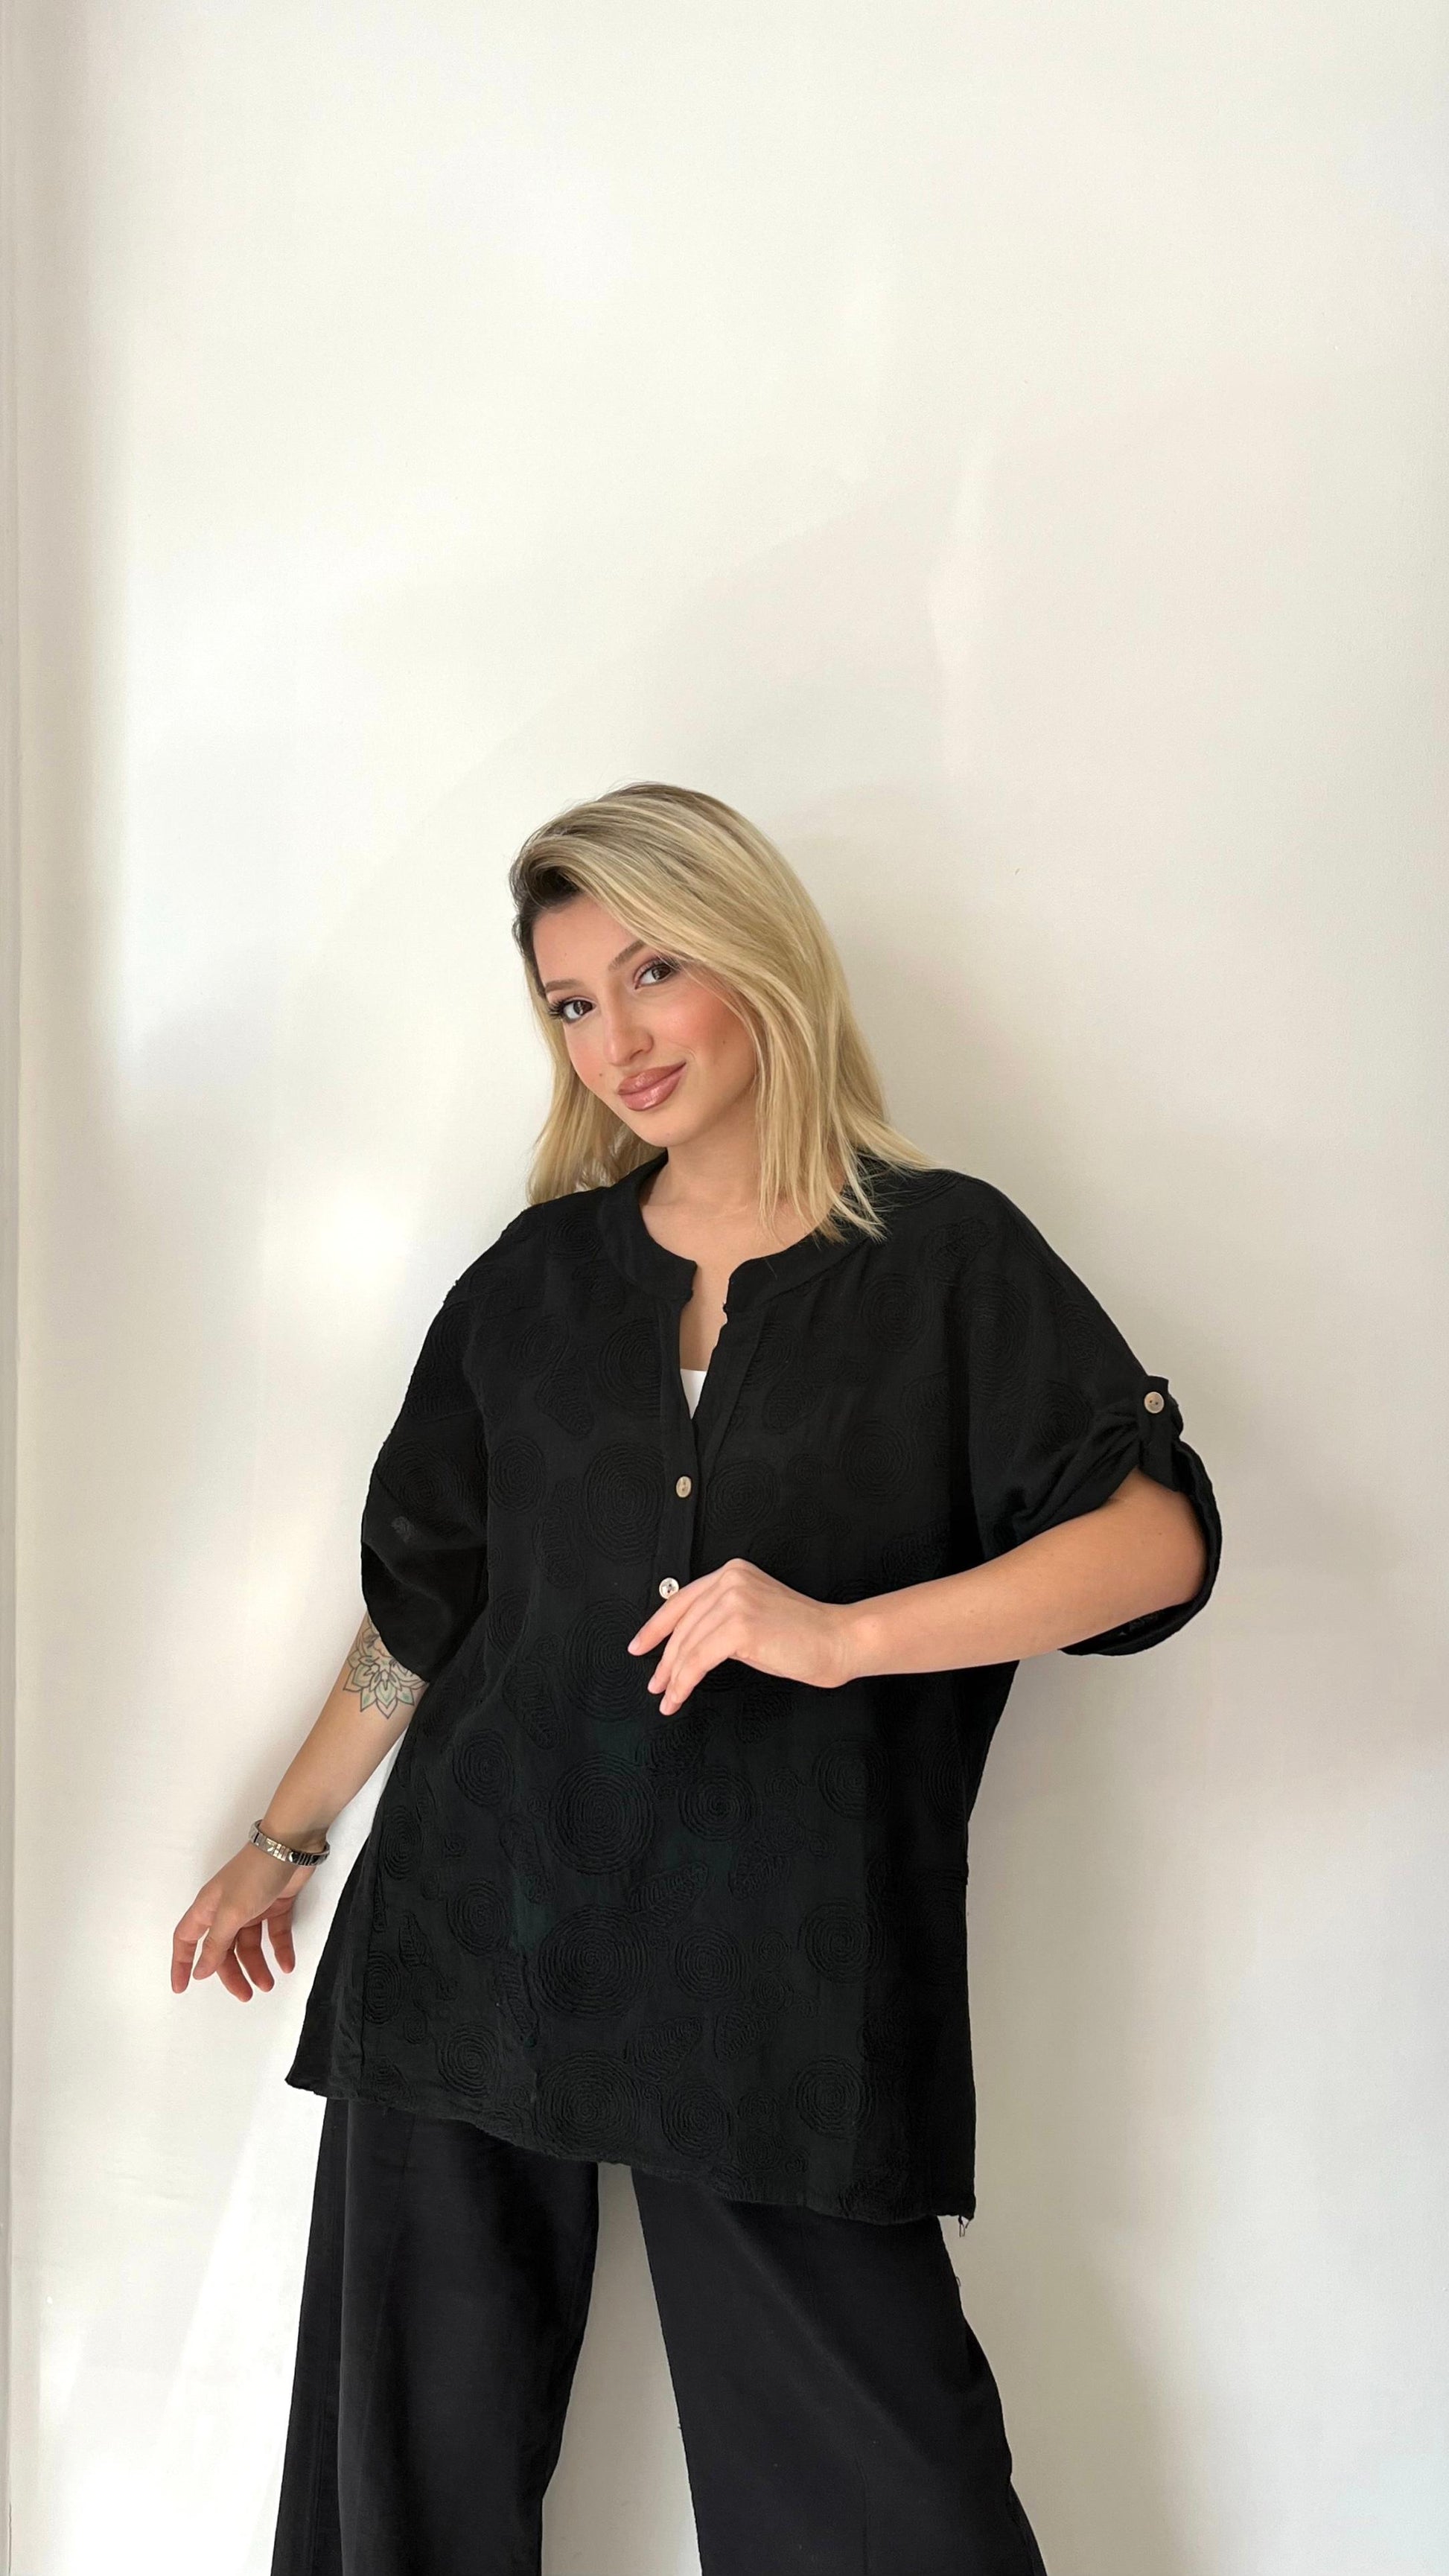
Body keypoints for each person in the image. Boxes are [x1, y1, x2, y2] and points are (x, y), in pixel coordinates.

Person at [171, 782, 1221, 2576]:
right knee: (402, 2496)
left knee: (889, 2511)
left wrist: (839, 1631)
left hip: (782, 1972)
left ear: (759, 953)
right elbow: (427, 1603)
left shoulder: (942, 1256)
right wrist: (283, 1838)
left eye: (654, 970)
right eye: (573, 1002)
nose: (619, 1040)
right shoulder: (533, 1280)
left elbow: (1153, 1540)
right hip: (475, 1933)